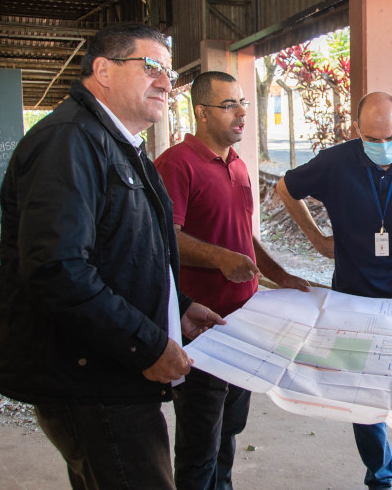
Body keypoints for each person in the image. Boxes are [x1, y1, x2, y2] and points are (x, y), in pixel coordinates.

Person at [0, 23, 225, 489]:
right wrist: (149, 344)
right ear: (102, 70)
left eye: (171, 72)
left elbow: (123, 254)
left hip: (108, 369)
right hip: (92, 380)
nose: (166, 82)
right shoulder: (69, 141)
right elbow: (58, 270)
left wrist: (176, 311)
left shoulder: (115, 142)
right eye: (152, 67)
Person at [276, 91, 392, 490]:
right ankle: (379, 477)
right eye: (372, 139)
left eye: (390, 137)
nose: (382, 147)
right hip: (352, 296)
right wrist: (317, 239)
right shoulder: (335, 162)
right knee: (363, 399)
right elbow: (286, 188)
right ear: (357, 131)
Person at [155, 70, 309, 489]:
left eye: (243, 102)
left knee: (229, 432)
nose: (242, 112)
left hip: (246, 323)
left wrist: (281, 276)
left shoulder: (237, 164)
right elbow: (162, 236)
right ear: (202, 112)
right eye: (229, 105)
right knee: (200, 440)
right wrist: (220, 258)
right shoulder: (176, 163)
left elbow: (244, 235)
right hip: (203, 326)